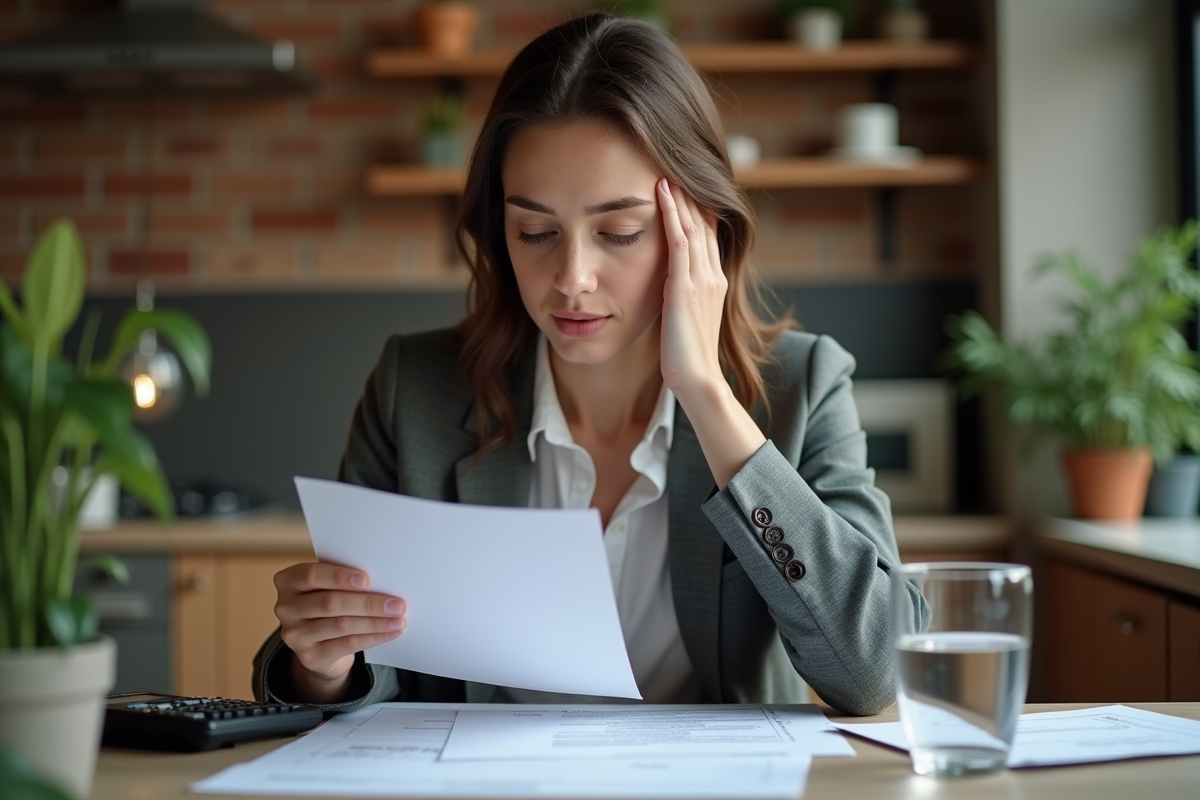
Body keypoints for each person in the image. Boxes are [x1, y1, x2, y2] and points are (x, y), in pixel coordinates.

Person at [253, 12, 926, 717]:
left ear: (696, 230)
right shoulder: (412, 390)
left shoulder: (802, 388)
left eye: (619, 231)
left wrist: (704, 393)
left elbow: (877, 672)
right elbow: (375, 668)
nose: (572, 277)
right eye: (535, 231)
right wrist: (325, 665)